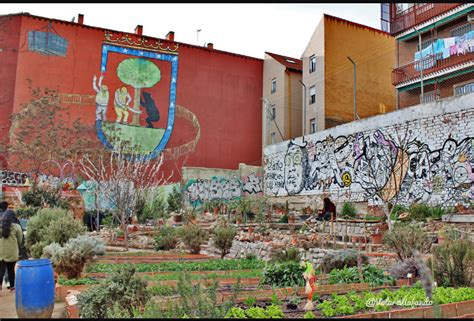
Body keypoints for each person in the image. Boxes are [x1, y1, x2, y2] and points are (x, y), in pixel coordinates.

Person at [0, 210, 23, 292]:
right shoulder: (16, 227)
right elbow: (20, 240)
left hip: (1, 251)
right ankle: (12, 288)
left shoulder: (1, 226)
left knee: (1, 270)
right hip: (12, 252)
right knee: (11, 270)